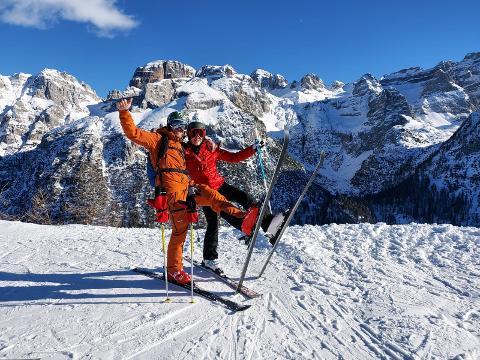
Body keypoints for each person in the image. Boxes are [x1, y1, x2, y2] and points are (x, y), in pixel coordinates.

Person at [116, 99, 275, 285]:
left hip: (188, 187)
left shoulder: (182, 147)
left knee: (215, 196)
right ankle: (174, 270)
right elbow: (133, 133)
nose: (179, 129)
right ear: (169, 125)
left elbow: (224, 157)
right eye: (176, 125)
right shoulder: (159, 140)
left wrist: (209, 144)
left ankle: (244, 222)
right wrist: (124, 112)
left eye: (182, 126)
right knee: (180, 231)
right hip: (174, 194)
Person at [184, 121, 264, 273]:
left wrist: (253, 149)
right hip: (204, 192)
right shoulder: (184, 152)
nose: (197, 136)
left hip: (220, 185)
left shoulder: (210, 148)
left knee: (245, 197)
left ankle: (265, 222)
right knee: (214, 223)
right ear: (188, 134)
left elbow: (234, 158)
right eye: (193, 133)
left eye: (201, 133)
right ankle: (209, 259)